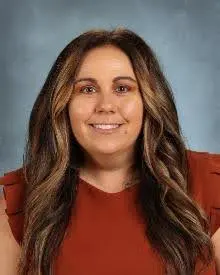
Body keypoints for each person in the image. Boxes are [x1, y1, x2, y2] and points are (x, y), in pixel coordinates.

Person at [0, 27, 219, 275]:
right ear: (62, 104)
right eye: (87, 89)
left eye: (123, 88)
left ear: (149, 100)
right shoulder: (19, 201)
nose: (105, 105)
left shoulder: (210, 184)